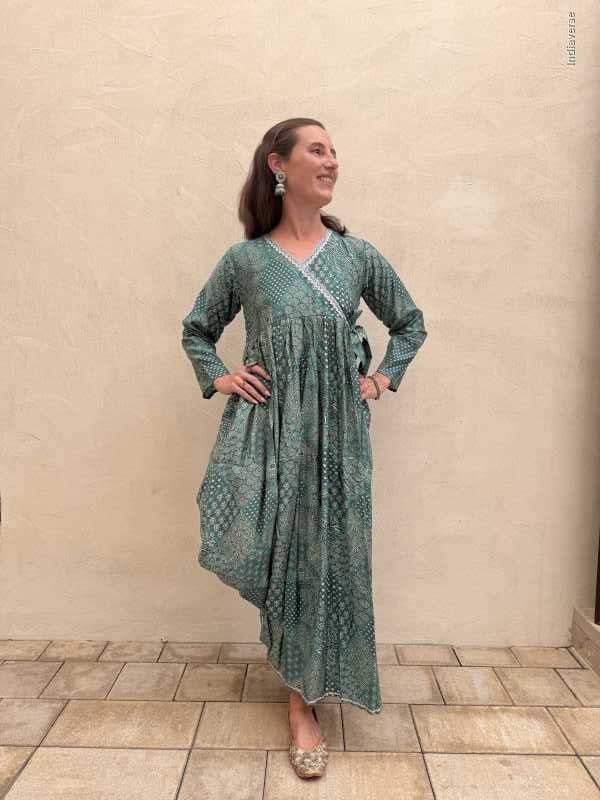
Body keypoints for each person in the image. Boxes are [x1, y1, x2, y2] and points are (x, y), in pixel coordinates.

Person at [181, 117, 428, 778]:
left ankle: (303, 701)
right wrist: (220, 375)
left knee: (325, 556)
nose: (332, 161)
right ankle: (299, 683)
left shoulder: (357, 257)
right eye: (317, 149)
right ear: (278, 165)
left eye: (334, 150)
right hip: (269, 431)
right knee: (272, 548)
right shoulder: (246, 261)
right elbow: (198, 328)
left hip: (339, 436)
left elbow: (410, 322)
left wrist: (379, 379)